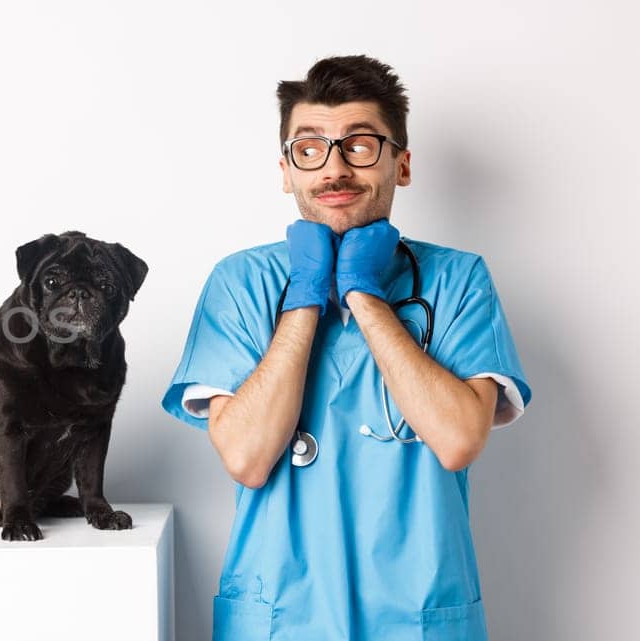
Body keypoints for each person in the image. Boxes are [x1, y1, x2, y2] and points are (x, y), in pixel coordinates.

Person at [160, 55, 532, 641]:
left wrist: (364, 296)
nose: (334, 169)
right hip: (281, 617)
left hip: (417, 616)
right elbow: (248, 458)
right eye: (310, 149)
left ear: (401, 164)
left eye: (359, 145)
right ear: (286, 171)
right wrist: (306, 297)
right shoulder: (241, 283)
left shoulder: (459, 279)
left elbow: (459, 439)